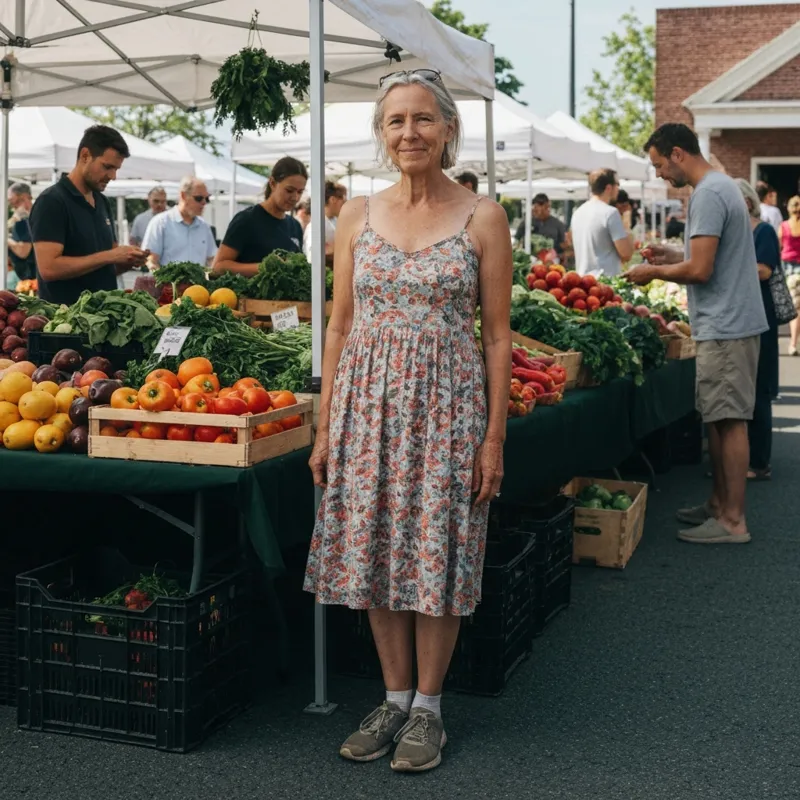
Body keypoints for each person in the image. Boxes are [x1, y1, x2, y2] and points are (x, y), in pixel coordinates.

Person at [304, 68, 511, 772]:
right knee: (374, 548)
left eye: (423, 119)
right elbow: (337, 327)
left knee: (437, 550)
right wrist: (326, 424)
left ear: (448, 128)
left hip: (448, 411)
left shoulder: (482, 216)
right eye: (395, 122)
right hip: (366, 407)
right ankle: (392, 697)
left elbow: (497, 336)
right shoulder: (355, 215)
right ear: (381, 134)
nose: (409, 133)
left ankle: (428, 710)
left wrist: (493, 439)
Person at [626, 123, 767, 545]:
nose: (659, 175)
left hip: (727, 324)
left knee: (729, 421)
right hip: (728, 322)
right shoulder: (721, 188)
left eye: (658, 165)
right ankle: (718, 505)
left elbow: (701, 270)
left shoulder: (708, 193)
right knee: (719, 419)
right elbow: (708, 257)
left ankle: (733, 521)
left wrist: (653, 271)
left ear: (677, 153)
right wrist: (673, 255)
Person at [29, 125, 147, 305]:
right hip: (67, 322)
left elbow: (107, 265)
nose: (113, 176)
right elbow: (48, 268)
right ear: (85, 156)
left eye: (116, 169)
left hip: (104, 318)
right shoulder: (51, 201)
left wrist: (128, 260)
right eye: (107, 167)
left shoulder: (102, 202)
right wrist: (111, 255)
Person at [735, 179, 780, 481]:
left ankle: (760, 462)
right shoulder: (734, 235)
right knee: (740, 392)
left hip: (761, 319)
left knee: (759, 390)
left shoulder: (763, 231)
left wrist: (728, 265)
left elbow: (764, 269)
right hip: (738, 319)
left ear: (747, 203)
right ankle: (737, 459)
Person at [212, 156, 307, 276]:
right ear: (272, 183)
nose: (295, 197)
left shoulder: (295, 226)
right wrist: (264, 267)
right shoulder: (246, 220)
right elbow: (218, 267)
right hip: (247, 294)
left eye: (300, 192)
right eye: (289, 190)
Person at [142, 177, 217, 270]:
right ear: (183, 196)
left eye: (207, 199)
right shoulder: (160, 223)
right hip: (169, 284)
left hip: (198, 284)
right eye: (199, 198)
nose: (204, 203)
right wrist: (165, 281)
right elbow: (151, 260)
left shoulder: (204, 227)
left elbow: (212, 259)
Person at [570, 168, 633, 276]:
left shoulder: (578, 213)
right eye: (617, 184)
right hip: (605, 283)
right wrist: (627, 225)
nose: (618, 188)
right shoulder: (610, 213)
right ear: (609, 188)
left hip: (582, 282)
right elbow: (626, 254)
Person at [303, 181, 346, 263]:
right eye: (343, 200)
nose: (344, 204)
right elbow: (313, 256)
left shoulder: (334, 221)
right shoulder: (316, 225)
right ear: (333, 199)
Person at [779, 196, 800, 355]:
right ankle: (793, 342)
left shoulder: (784, 226)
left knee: (795, 307)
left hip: (788, 268)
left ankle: (793, 344)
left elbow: (778, 245)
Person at [6, 183, 36, 284]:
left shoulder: (23, 221)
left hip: (29, 278)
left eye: (11, 199)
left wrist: (5, 239)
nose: (10, 204)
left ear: (22, 197)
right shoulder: (34, 217)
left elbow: (23, 251)